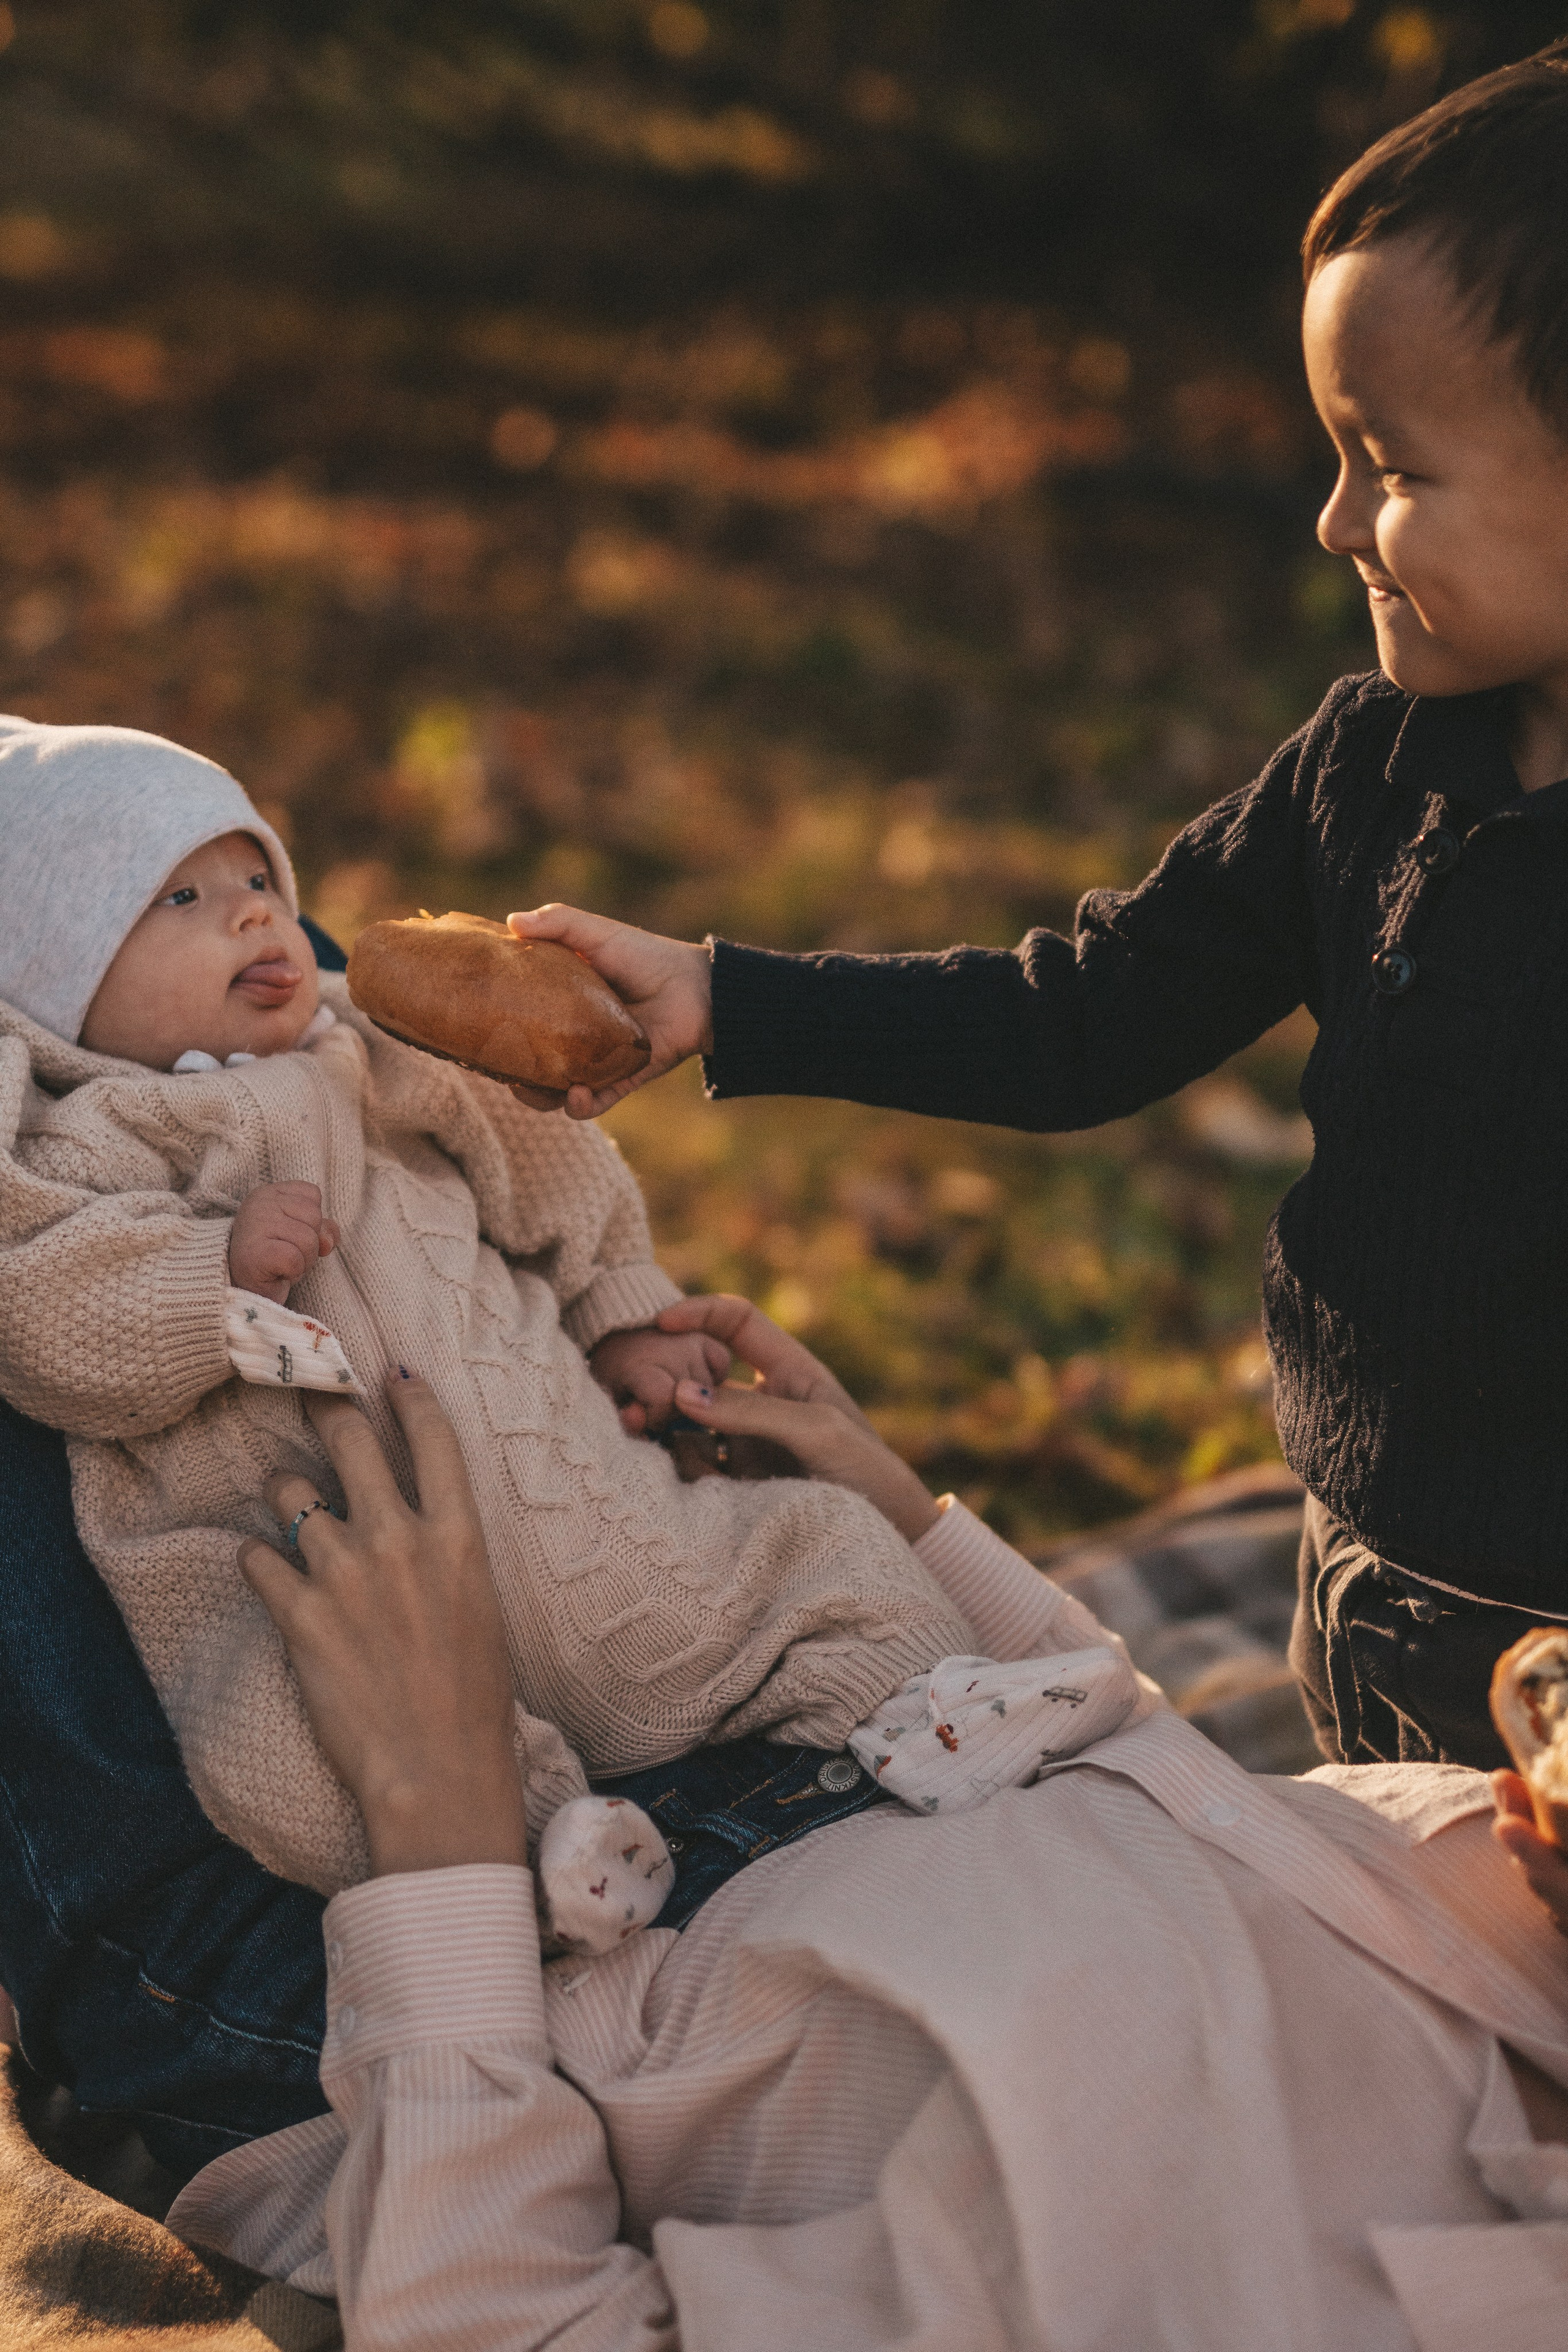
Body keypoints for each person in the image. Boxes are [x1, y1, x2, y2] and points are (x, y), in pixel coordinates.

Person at [509, 39, 1568, 1778]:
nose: (1332, 521)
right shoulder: (1368, 771)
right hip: (1368, 1582)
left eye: (1393, 467)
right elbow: (1084, 1014)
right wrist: (728, 995)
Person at [149, 1314, 1568, 2351]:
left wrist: (435, 1809)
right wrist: (906, 1530)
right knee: (269, 1020)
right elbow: (1221, 1866)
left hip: (445, 1984)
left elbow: (500, 2322)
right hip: (851, 1720)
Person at [0, 718, 1136, 1960]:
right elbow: (46, 1318)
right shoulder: (81, 1144)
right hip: (351, 1601)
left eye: (260, 878)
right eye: (183, 895)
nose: (255, 918)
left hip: (595, 1530)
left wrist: (625, 1322)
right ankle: (544, 1845)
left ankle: (931, 1704)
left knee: (810, 1551)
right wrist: (203, 1273)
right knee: (277, 1752)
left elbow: (552, 1175)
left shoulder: (368, 1050)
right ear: (57, 968)